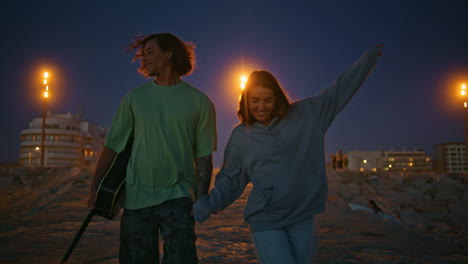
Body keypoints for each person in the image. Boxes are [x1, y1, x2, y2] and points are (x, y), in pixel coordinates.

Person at [193, 45, 383, 264]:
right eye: (255, 100)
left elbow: (338, 91)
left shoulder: (307, 115)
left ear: (278, 98)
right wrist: (204, 207)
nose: (261, 107)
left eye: (268, 100)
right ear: (246, 100)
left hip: (302, 215)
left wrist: (368, 60)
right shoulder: (241, 136)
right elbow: (231, 180)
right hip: (266, 218)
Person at [87, 33, 217, 264]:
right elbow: (113, 146)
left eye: (149, 52)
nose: (143, 59)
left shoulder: (200, 101)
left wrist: (201, 200)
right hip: (137, 198)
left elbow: (204, 156)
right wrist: (95, 187)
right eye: (142, 54)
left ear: (169, 53)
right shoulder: (135, 98)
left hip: (179, 199)